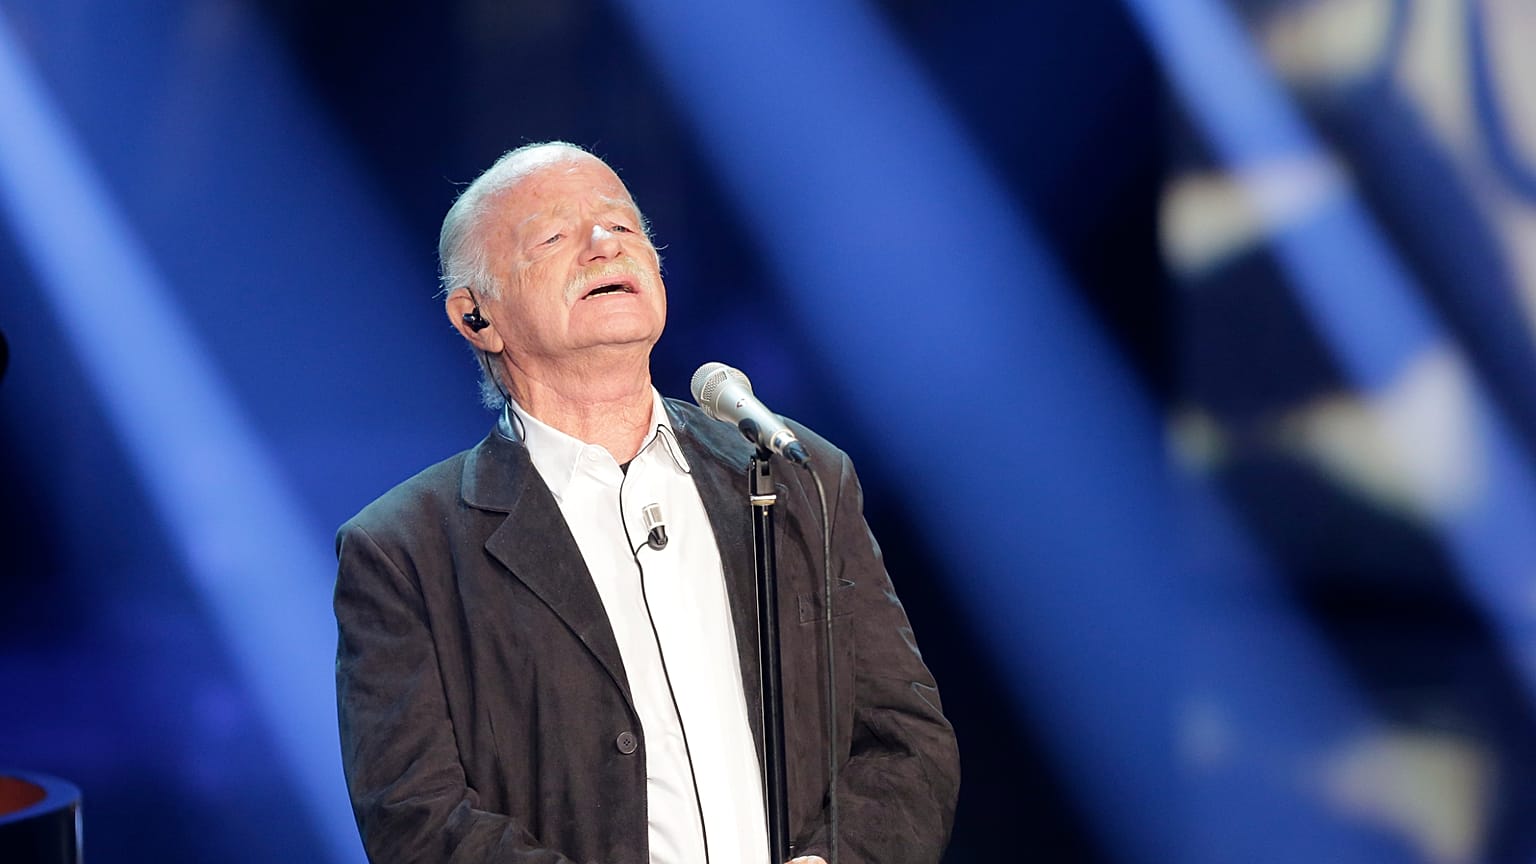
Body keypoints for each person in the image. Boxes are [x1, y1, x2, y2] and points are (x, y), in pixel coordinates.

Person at [333, 141, 959, 864]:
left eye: (624, 226)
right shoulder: (405, 552)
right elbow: (416, 818)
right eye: (554, 237)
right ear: (477, 316)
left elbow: (906, 741)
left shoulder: (797, 475)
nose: (605, 244)